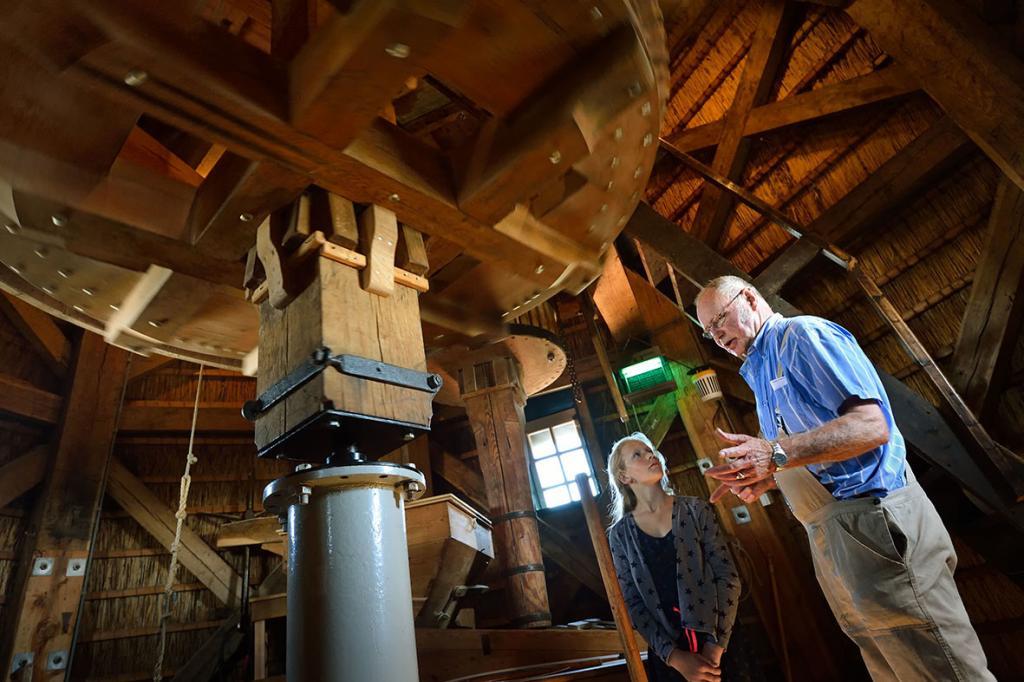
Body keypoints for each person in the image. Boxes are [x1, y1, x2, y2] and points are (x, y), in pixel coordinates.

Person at [695, 275, 994, 682]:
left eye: (720, 320)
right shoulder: (762, 369)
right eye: (708, 330)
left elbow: (872, 426)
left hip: (876, 526)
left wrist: (777, 454)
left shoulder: (802, 336)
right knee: (895, 668)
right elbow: (815, 451)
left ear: (748, 297)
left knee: (944, 669)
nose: (716, 336)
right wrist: (770, 476)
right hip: (836, 537)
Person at [606, 432, 744, 682]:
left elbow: (728, 577)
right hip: (670, 658)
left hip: (720, 645)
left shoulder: (695, 509)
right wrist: (675, 658)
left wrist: (715, 647)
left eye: (650, 450)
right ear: (624, 476)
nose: (650, 455)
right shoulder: (620, 535)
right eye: (638, 454)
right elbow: (633, 602)